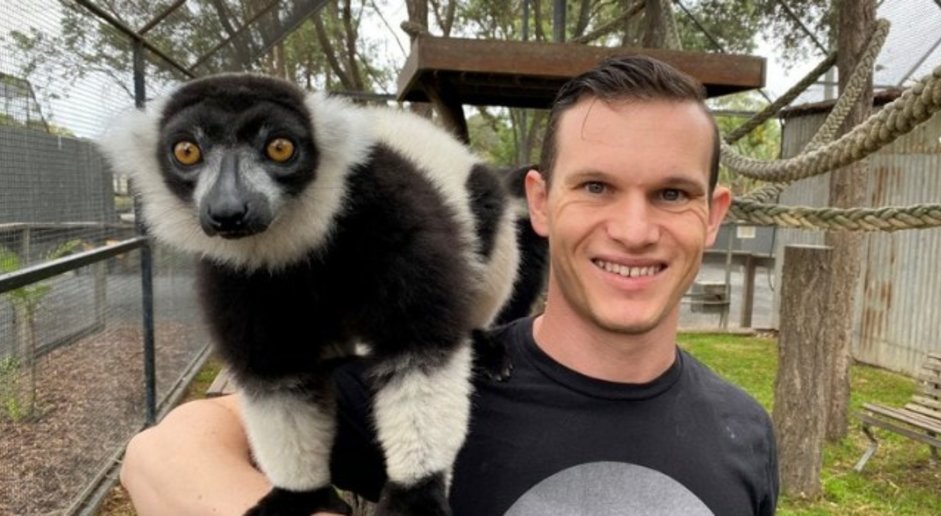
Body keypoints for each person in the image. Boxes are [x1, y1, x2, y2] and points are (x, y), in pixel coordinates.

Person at [120, 55, 778, 515]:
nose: (633, 231)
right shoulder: (389, 388)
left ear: (714, 214)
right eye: (596, 187)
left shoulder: (745, 432)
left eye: (671, 194)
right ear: (540, 203)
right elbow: (160, 454)